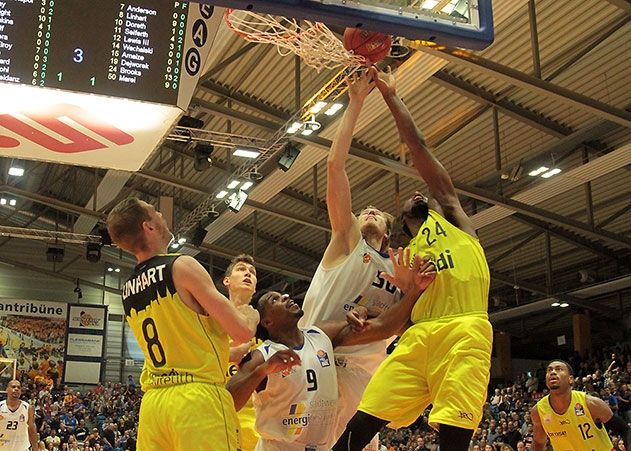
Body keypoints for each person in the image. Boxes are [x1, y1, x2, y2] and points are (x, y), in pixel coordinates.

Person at [333, 66, 493, 451]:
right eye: (412, 199)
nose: (421, 193)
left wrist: (391, 95)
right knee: (361, 422)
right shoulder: (402, 257)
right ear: (402, 223)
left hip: (464, 329)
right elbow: (393, 321)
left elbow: (419, 147)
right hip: (417, 338)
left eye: (425, 193)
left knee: (453, 434)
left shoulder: (453, 217)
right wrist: (367, 315)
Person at [106, 197, 260, 451]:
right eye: (156, 212)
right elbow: (242, 331)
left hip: (154, 404)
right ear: (149, 227)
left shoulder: (128, 290)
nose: (162, 215)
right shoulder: (181, 265)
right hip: (195, 400)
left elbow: (180, 344)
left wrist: (228, 354)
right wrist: (251, 315)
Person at [299, 70, 401, 447]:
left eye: (377, 212)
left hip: (365, 374)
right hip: (319, 362)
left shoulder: (398, 269)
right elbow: (334, 167)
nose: (369, 210)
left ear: (388, 232)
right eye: (364, 210)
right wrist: (355, 101)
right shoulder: (346, 241)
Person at [531, 360, 631, 450]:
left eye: (559, 369)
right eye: (549, 370)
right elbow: (539, 443)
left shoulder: (591, 403)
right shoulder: (538, 411)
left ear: (571, 379)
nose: (552, 372)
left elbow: (625, 430)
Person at [224, 254, 261, 450]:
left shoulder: (266, 329)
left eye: (252, 272)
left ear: (255, 288)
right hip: (218, 416)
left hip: (254, 425)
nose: (247, 273)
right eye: (240, 269)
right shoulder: (209, 318)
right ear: (226, 281)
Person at [0, 379, 38, 450]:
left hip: (21, 448)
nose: (16, 389)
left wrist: (35, 448)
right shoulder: (0, 407)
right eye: (13, 387)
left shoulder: (28, 408)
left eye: (19, 387)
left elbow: (31, 429)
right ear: (7, 389)